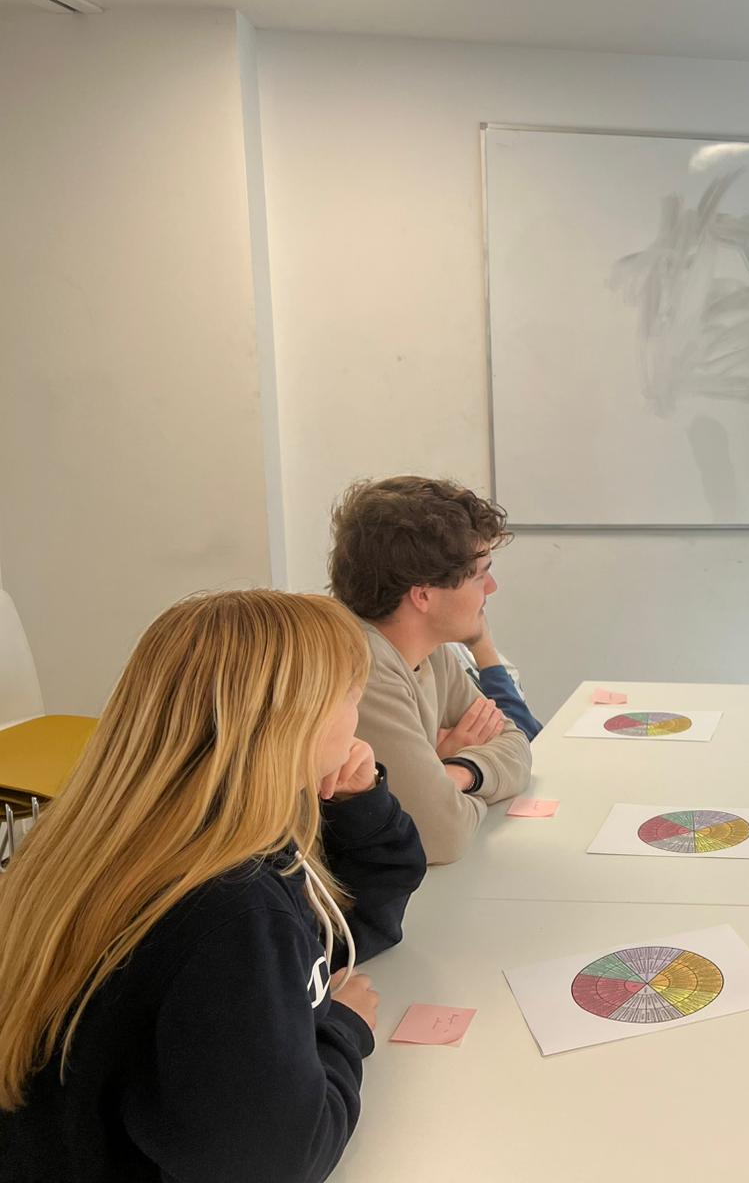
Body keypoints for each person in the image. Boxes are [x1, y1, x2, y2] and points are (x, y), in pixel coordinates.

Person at [0, 591, 425, 1181]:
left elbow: (349, 928)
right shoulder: (230, 908)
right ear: (291, 724)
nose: (359, 718)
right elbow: (277, 1162)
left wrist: (357, 802)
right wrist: (343, 1029)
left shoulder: (133, 836)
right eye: (351, 696)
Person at [329, 476, 534, 865]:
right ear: (422, 595)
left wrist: (456, 772)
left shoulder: (430, 647)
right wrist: (449, 794)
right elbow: (439, 835)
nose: (491, 587)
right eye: (479, 574)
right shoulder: (363, 667)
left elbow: (515, 743)